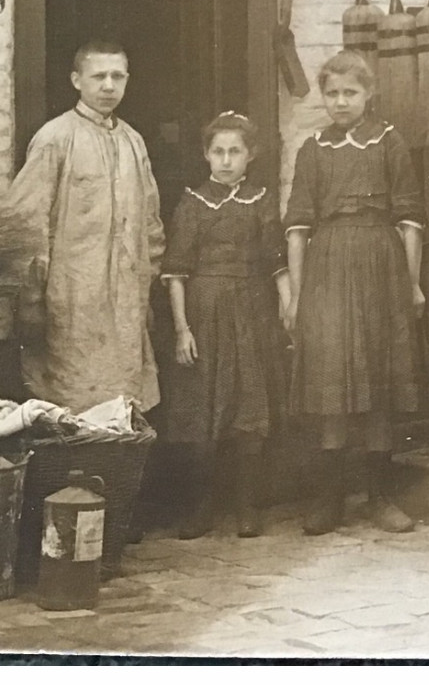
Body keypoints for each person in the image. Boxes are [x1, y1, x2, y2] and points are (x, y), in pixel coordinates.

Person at [283, 50, 428, 535]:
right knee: (332, 381)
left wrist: (411, 285)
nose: (341, 102)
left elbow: (409, 221)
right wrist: (298, 297)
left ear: (369, 95)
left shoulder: (389, 143)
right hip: (326, 270)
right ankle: (330, 498)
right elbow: (298, 229)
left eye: (351, 93)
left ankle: (381, 496)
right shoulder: (313, 149)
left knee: (378, 380)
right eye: (332, 93)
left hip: (381, 267)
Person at [7, 40, 165, 414]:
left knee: (124, 410)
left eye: (117, 76)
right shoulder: (55, 138)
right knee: (73, 408)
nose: (109, 86)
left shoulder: (133, 141)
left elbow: (151, 225)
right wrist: (31, 301)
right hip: (71, 302)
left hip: (125, 303)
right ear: (77, 80)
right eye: (99, 76)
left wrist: (147, 283)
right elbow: (24, 223)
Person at [160, 112, 291, 539]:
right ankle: (202, 507)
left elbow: (276, 261)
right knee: (203, 406)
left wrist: (288, 306)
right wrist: (182, 329)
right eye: (218, 151)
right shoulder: (192, 203)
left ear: (250, 155)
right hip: (204, 313)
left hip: (252, 311)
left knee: (248, 405)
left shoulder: (261, 199)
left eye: (235, 151)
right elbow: (177, 271)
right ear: (205, 155)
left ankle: (246, 506)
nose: (226, 160)